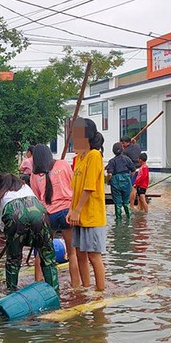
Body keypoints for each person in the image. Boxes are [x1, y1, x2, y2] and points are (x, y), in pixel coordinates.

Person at [0, 173, 59, 294]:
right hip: (38, 214)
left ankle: (11, 292)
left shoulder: (2, 196)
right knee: (47, 256)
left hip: (15, 216)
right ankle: (55, 292)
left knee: (13, 259)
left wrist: (11, 240)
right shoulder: (26, 188)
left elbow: (2, 225)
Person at [30, 144, 80, 288]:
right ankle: (76, 287)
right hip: (67, 212)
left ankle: (38, 285)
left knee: (41, 253)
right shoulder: (63, 164)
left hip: (48, 215)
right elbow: (73, 186)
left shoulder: (35, 175)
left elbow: (37, 199)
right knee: (72, 254)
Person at [67, 118, 107, 291]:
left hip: (91, 215)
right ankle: (85, 288)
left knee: (93, 256)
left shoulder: (94, 155)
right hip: (78, 215)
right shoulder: (79, 158)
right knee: (80, 255)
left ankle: (100, 292)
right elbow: (75, 189)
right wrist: (71, 210)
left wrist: (77, 210)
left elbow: (89, 187)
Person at [105, 142, 135, 219]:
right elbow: (133, 170)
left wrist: (108, 181)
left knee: (118, 203)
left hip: (115, 182)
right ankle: (129, 219)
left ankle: (118, 220)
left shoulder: (112, 161)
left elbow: (110, 174)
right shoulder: (127, 159)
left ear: (113, 151)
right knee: (126, 201)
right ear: (122, 150)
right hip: (126, 181)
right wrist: (129, 179)